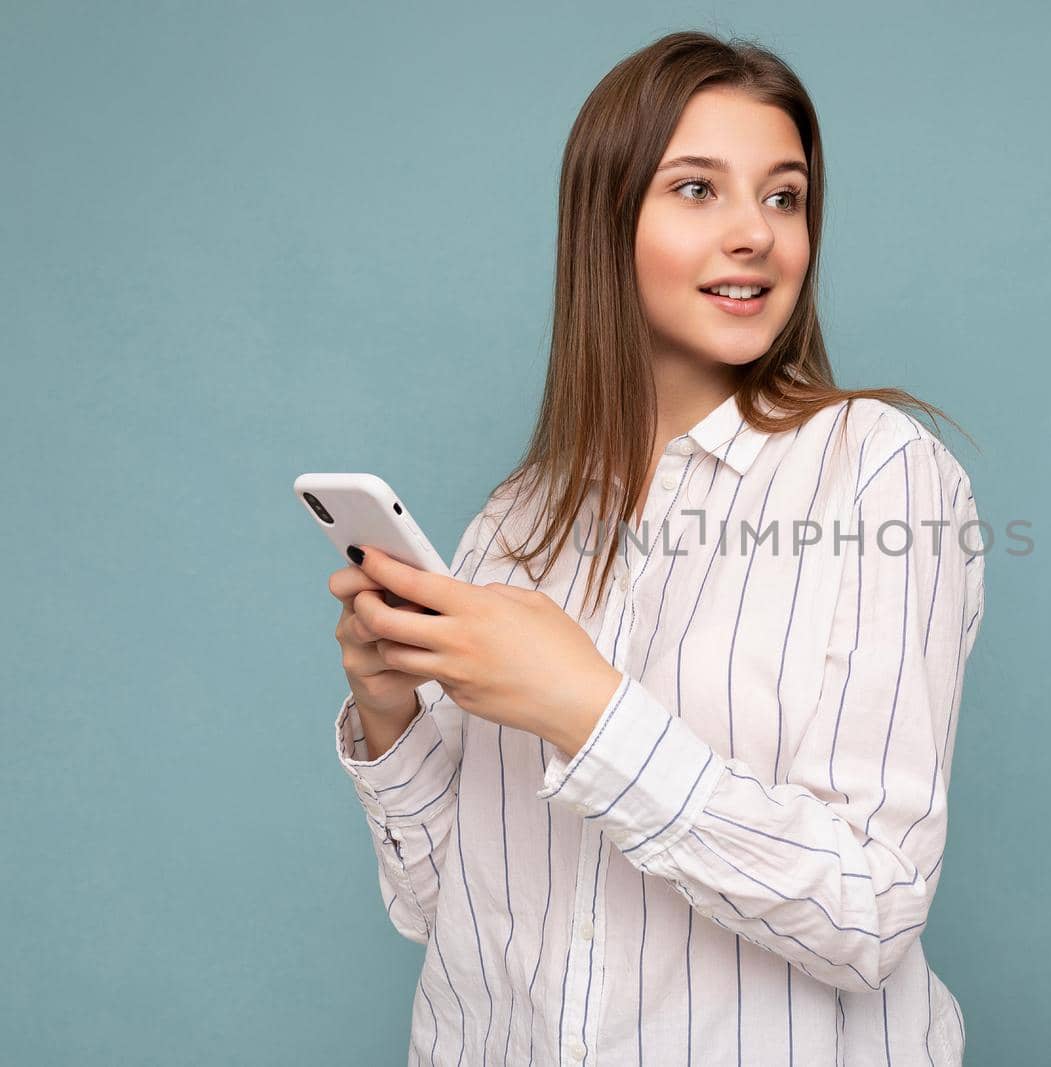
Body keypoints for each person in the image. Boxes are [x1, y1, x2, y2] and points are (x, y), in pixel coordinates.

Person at [326, 30, 985, 1066]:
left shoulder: (875, 474)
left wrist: (583, 707)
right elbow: (442, 912)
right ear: (606, 222)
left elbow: (871, 911)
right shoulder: (518, 519)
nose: (755, 235)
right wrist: (390, 711)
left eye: (782, 197)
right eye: (696, 190)